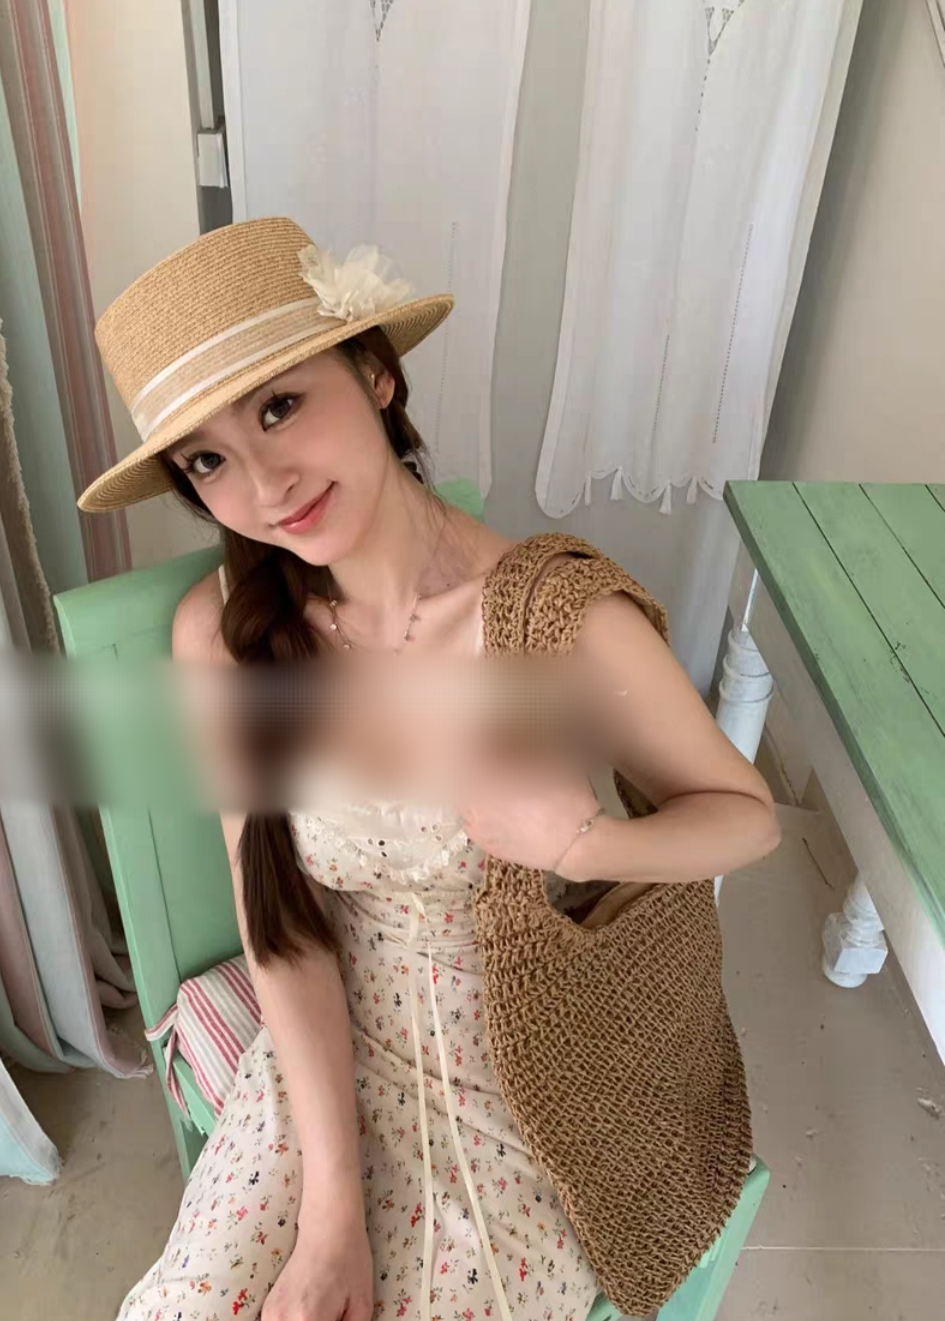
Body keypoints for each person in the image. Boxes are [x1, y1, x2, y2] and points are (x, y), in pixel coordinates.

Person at [79, 217, 781, 1321]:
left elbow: (747, 817)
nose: (264, 483)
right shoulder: (221, 635)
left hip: (532, 1064)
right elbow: (280, 926)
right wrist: (331, 1216)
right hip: (323, 1053)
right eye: (207, 460)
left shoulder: (554, 616)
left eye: (279, 406)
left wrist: (586, 842)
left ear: (377, 375)